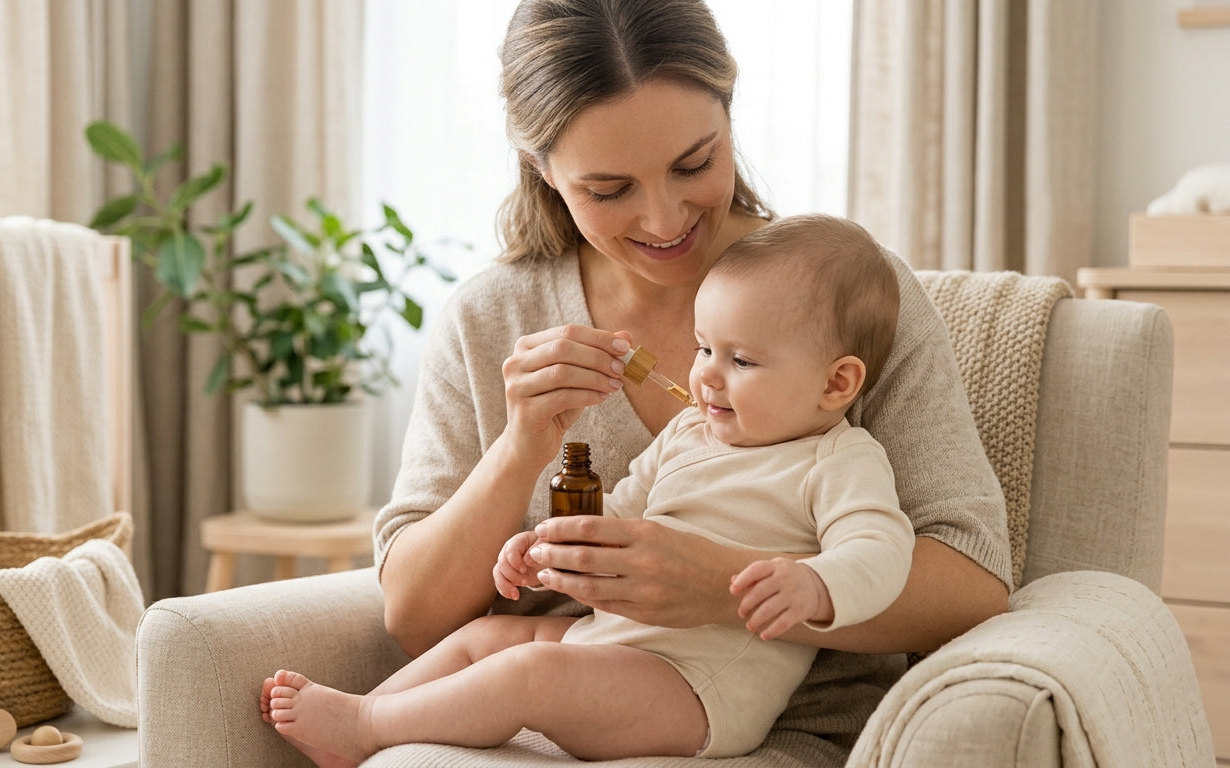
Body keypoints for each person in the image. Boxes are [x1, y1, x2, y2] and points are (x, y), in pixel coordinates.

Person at [264, 0, 1010, 763]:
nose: (664, 219)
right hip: (562, 684)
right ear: (542, 169)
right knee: (502, 650)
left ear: (730, 113)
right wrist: (524, 450)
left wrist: (721, 588)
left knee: (528, 667)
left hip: (770, 723)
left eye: (695, 164)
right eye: (609, 189)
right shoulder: (489, 318)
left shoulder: (837, 301)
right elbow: (416, 619)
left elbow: (975, 584)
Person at [261, 215, 915, 763]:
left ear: (836, 384)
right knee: (487, 640)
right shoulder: (691, 433)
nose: (709, 378)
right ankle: (369, 713)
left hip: (695, 693)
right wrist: (549, 552)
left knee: (529, 677)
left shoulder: (837, 460)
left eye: (741, 361)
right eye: (704, 349)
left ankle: (367, 733)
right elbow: (618, 519)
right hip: (610, 646)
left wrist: (817, 586)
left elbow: (882, 548)